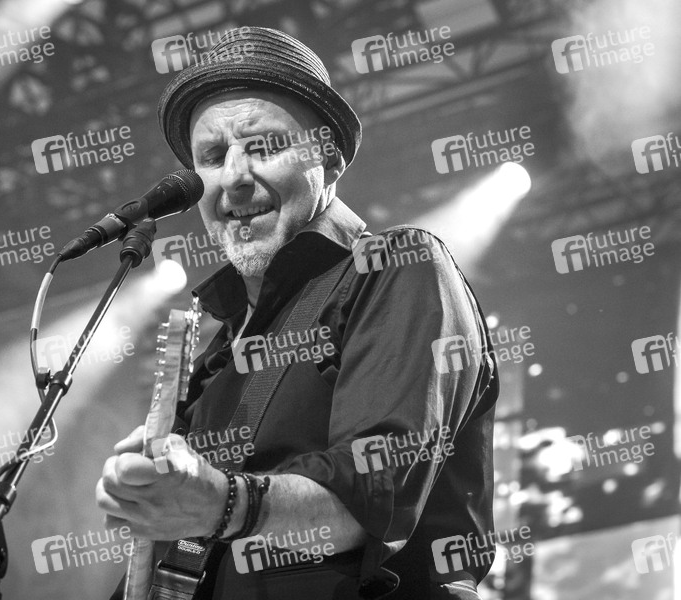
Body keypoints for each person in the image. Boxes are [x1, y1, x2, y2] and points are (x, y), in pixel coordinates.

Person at [97, 27, 499, 599]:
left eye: (263, 146)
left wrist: (220, 503)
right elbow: (185, 547)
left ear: (329, 158)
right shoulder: (220, 344)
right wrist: (152, 497)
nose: (234, 177)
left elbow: (370, 497)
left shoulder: (398, 265)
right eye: (212, 156)